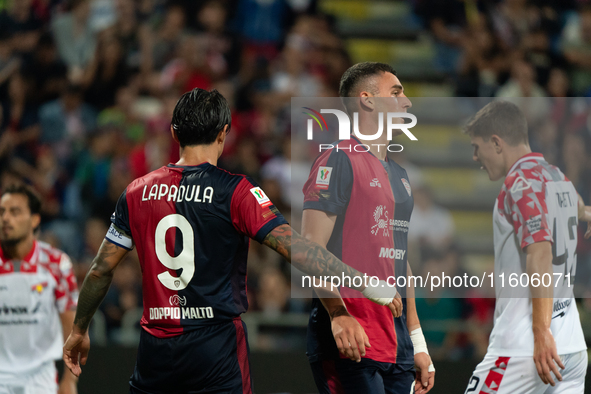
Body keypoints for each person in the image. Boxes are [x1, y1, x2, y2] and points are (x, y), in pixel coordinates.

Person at [62, 88, 401, 394]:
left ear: (174, 133)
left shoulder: (136, 191)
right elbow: (297, 249)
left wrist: (79, 329)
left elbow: (99, 271)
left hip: (156, 350)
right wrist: (365, 283)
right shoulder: (237, 191)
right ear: (224, 133)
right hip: (215, 348)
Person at [302, 62, 435, 394]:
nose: (407, 102)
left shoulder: (401, 176)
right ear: (367, 100)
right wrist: (337, 314)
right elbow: (309, 250)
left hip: (396, 342)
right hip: (351, 337)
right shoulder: (338, 160)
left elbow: (400, 260)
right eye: (396, 92)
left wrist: (417, 340)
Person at [463, 100, 589, 393]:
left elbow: (540, 251)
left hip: (524, 349)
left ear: (496, 143)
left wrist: (540, 331)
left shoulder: (518, 184)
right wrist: (585, 214)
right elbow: (579, 208)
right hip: (571, 349)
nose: (474, 157)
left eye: (476, 147)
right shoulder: (557, 176)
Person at [0, 185, 79, 394]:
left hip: (40, 380)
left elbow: (71, 326)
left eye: (14, 212)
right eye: (1, 212)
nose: (5, 218)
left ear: (34, 220)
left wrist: (69, 381)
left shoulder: (56, 264)